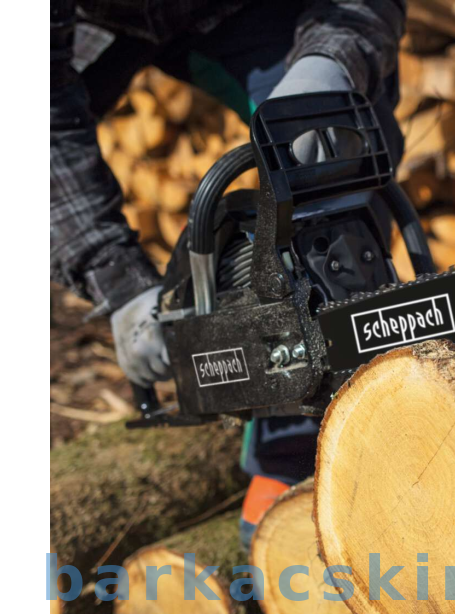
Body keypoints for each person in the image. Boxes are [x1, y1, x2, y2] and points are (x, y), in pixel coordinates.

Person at [51, 0, 406, 547]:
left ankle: (306, 430)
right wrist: (117, 281)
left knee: (336, 134)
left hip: (238, 9)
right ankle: (286, 430)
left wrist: (330, 62)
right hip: (94, 23)